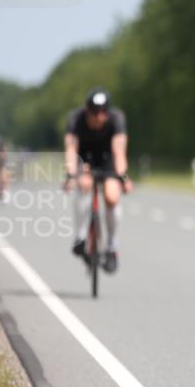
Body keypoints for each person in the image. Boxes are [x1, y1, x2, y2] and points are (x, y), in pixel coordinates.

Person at [62, 88, 132, 273]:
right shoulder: (75, 119)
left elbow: (119, 152)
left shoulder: (117, 119)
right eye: (95, 112)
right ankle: (81, 236)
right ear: (87, 111)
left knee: (111, 196)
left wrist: (123, 178)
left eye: (103, 112)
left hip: (107, 159)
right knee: (84, 184)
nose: (99, 117)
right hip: (84, 158)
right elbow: (71, 150)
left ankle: (112, 247)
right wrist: (70, 175)